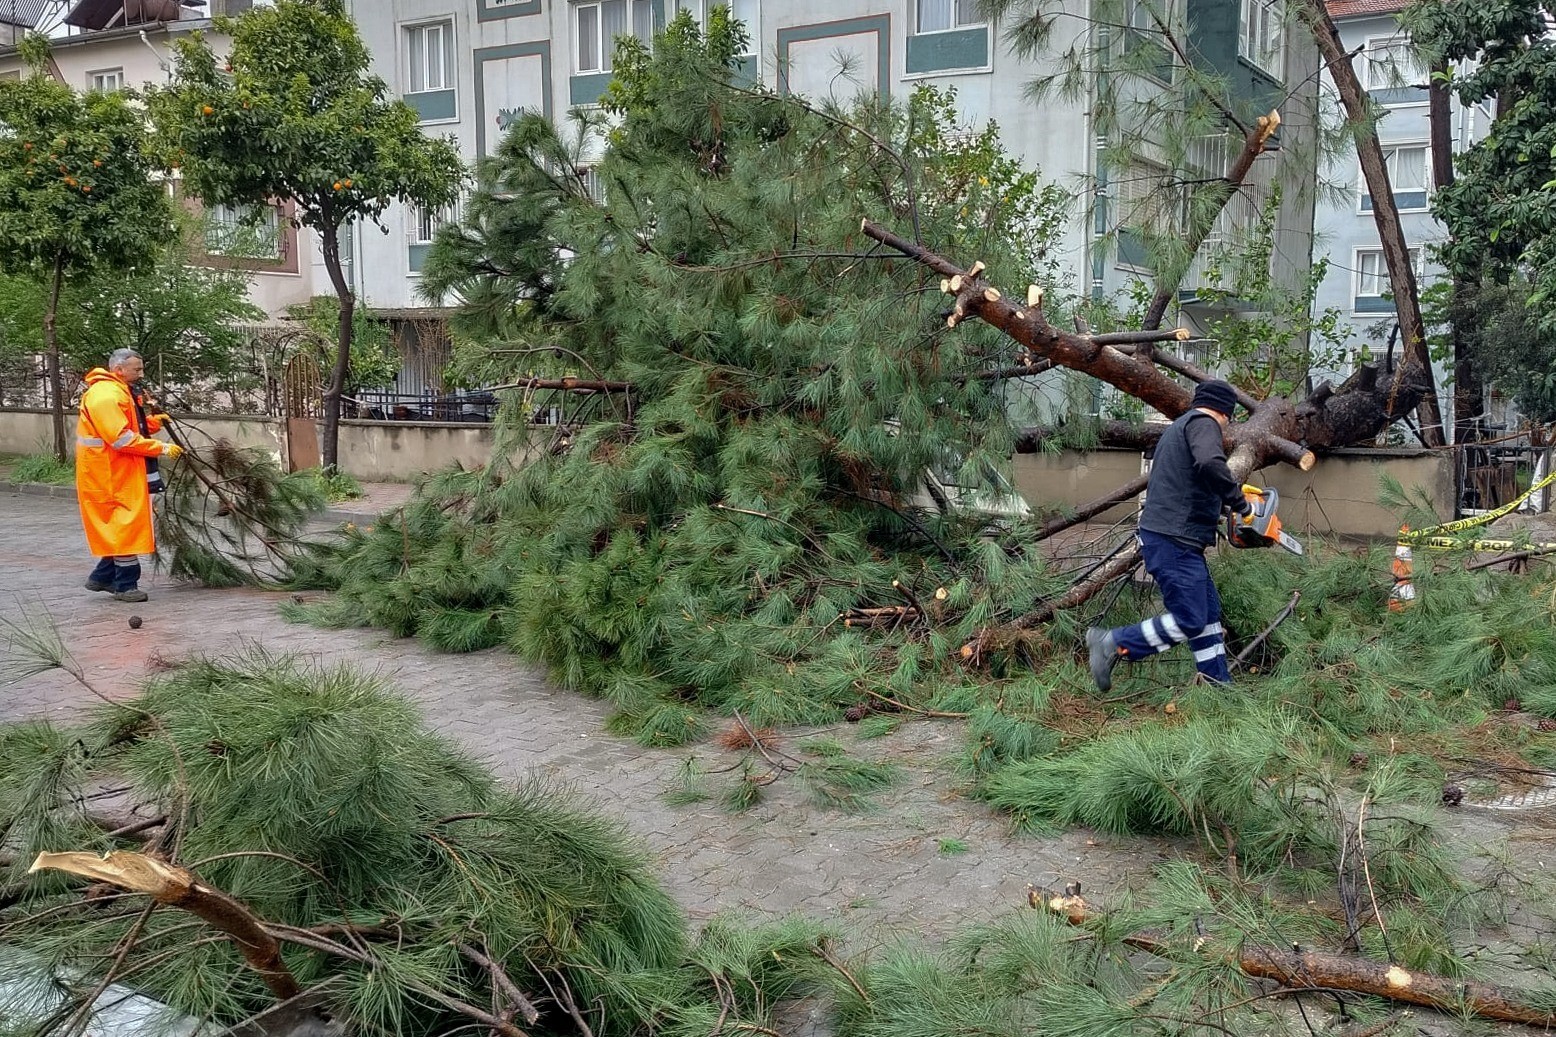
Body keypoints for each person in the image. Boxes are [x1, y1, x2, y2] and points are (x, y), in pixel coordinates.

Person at [1086, 380, 1253, 691]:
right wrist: (1240, 503)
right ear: (1224, 413)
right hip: (1174, 540)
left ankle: (1218, 685)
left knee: (1207, 616)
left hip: (1173, 538)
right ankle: (1111, 641)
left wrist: (1216, 508)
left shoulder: (1180, 428)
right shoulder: (1203, 423)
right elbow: (1209, 463)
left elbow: (1188, 482)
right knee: (1190, 618)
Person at [76, 349, 183, 603]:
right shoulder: (106, 396)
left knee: (123, 526)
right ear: (119, 369)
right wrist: (160, 448)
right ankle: (125, 586)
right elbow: (120, 439)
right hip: (109, 475)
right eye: (137, 369)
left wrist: (153, 423)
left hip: (117, 470)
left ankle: (102, 577)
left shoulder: (117, 391)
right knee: (125, 527)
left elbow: (130, 427)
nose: (141, 374)